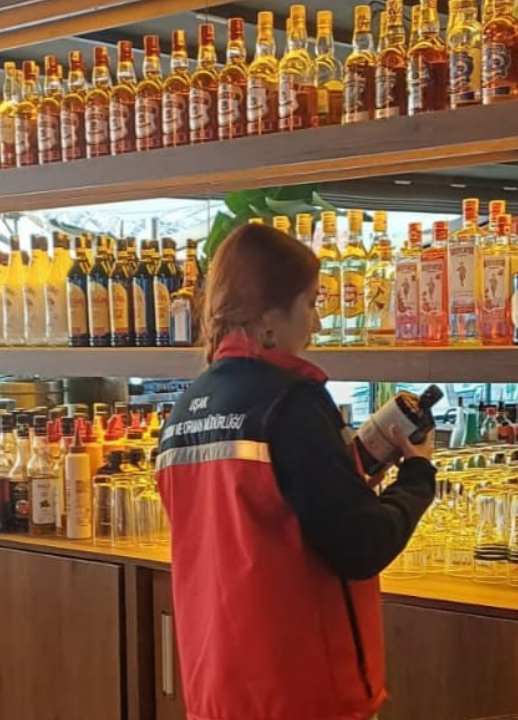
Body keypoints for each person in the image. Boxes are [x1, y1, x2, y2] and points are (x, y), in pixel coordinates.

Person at [155, 223, 437, 720]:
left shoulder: (185, 409)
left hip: (217, 691)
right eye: (310, 303)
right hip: (301, 691)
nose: (317, 323)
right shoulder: (290, 402)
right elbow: (361, 544)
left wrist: (354, 471)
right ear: (268, 318)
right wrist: (418, 475)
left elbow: (260, 521)